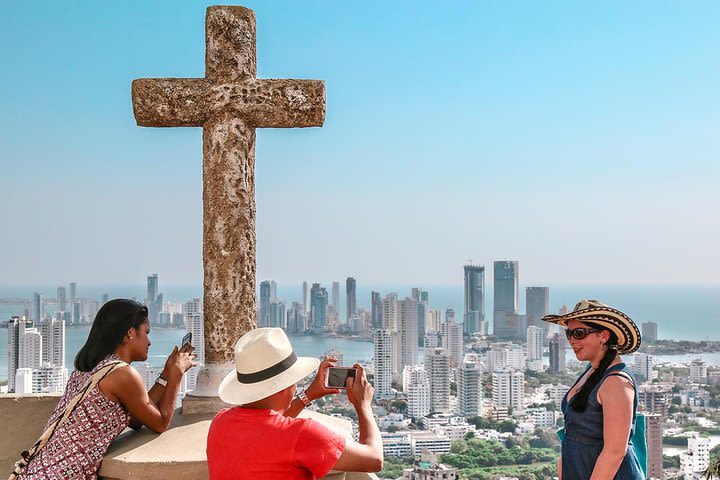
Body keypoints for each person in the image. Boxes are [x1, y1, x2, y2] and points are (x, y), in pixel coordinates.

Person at [17, 298, 196, 479]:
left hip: (40, 471)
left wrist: (166, 374)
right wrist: (177, 373)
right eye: (146, 333)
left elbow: (136, 418)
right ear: (130, 333)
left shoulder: (90, 368)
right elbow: (160, 423)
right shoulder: (122, 374)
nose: (149, 342)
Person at [206, 327, 383, 480]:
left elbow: (268, 432)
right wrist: (363, 404)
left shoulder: (220, 423)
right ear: (287, 386)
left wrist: (307, 395)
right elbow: (374, 459)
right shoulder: (302, 434)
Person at [543, 299, 645, 480]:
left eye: (579, 333)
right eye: (569, 334)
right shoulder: (592, 371)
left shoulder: (616, 383)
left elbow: (614, 453)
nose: (572, 340)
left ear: (604, 336)